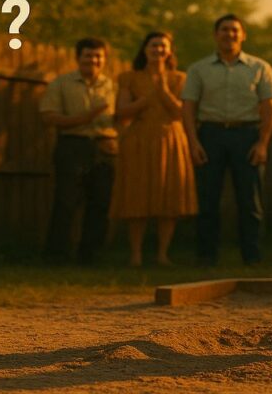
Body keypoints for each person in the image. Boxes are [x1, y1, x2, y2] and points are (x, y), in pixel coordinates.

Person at [181, 14, 272, 266]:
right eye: (224, 30)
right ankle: (206, 256)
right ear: (216, 35)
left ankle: (252, 256)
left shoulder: (261, 68)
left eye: (235, 30)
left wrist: (263, 143)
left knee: (250, 201)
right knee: (207, 200)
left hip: (247, 136)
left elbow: (269, 108)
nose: (229, 34)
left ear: (243, 35)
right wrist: (193, 143)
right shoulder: (198, 69)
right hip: (210, 135)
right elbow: (188, 108)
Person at [109, 32, 197, 267]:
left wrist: (164, 91)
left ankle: (162, 254)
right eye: (153, 45)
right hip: (138, 139)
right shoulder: (129, 77)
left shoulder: (180, 78)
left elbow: (182, 113)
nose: (157, 50)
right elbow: (122, 111)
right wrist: (146, 98)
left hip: (171, 139)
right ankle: (136, 255)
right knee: (137, 196)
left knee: (169, 197)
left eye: (162, 46)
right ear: (144, 49)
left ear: (169, 51)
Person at [40, 38, 117, 265]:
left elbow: (120, 118)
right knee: (66, 201)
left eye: (98, 56)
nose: (93, 60)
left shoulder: (112, 86)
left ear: (104, 59)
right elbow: (48, 116)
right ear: (78, 57)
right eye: (88, 55)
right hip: (73, 145)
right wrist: (85, 118)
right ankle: (56, 256)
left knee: (100, 204)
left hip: (104, 148)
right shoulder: (61, 84)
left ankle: (91, 257)